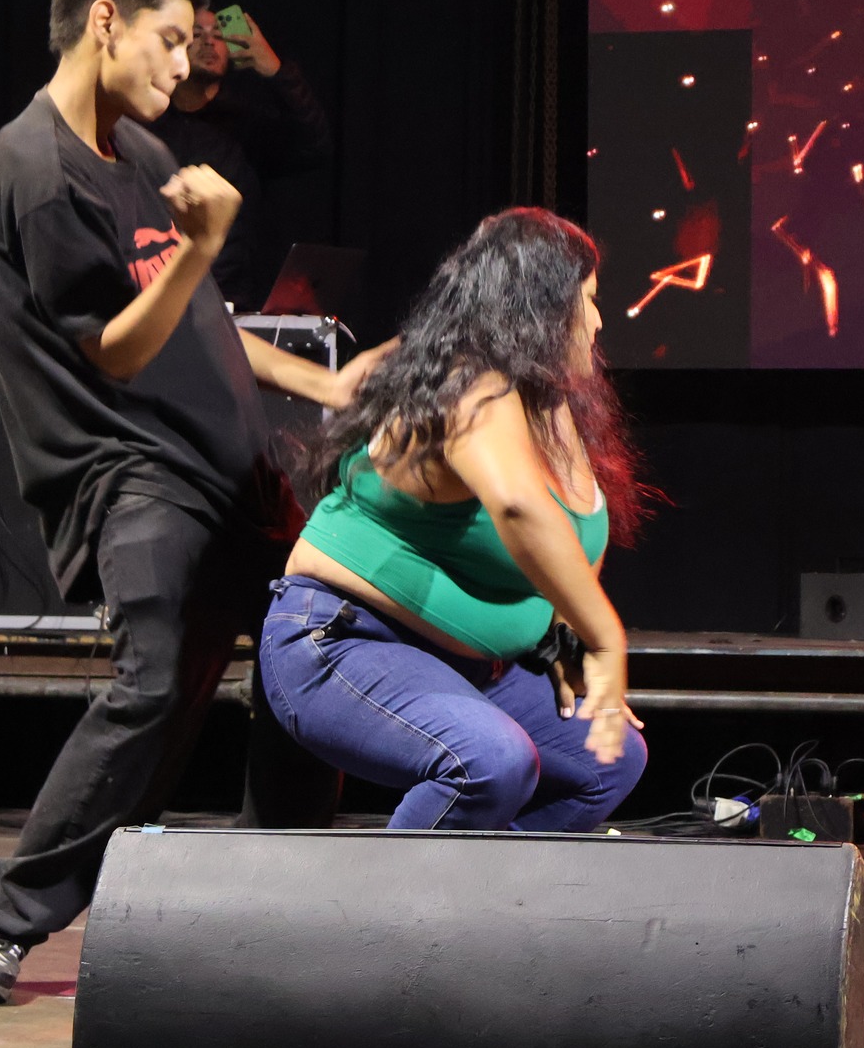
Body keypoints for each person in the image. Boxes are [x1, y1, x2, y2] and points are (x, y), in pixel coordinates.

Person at [0, 0, 381, 1005]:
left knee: (299, 663)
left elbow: (199, 323)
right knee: (151, 688)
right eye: (169, 41)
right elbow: (119, 348)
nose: (183, 68)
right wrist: (196, 245)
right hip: (133, 479)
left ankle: (282, 895)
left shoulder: (135, 154)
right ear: (106, 23)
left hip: (230, 466)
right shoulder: (37, 172)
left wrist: (322, 387)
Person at [257, 208, 649, 832]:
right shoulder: (464, 384)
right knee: (491, 760)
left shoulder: (547, 405)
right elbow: (519, 508)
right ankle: (385, 926)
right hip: (343, 641)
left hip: (464, 668)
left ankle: (479, 913)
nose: (599, 321)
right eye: (589, 301)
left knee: (608, 761)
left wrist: (564, 646)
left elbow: (567, 544)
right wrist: (603, 637)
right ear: (541, 306)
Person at [146, 6, 335, 308]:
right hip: (153, 293)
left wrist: (275, 69)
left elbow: (314, 145)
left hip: (231, 303)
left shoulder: (246, 125)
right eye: (197, 34)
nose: (209, 42)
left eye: (219, 35)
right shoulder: (146, 125)